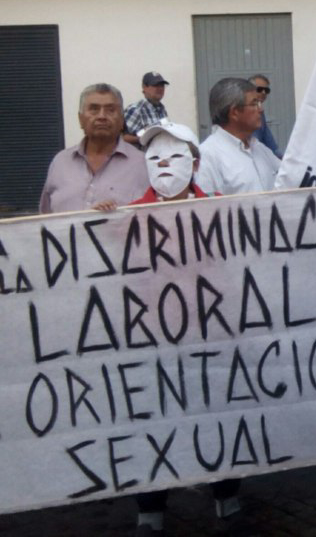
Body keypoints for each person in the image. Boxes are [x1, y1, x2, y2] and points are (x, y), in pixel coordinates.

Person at [129, 119, 223, 535]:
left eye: (176, 154)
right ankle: (151, 506)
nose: (165, 163)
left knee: (221, 415)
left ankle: (227, 492)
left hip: (215, 339)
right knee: (152, 422)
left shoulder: (222, 208)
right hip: (151, 343)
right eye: (155, 156)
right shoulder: (125, 217)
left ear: (196, 162)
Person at [40, 83, 149, 213]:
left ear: (121, 120)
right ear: (80, 119)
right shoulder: (60, 163)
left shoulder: (142, 164)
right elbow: (44, 221)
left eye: (110, 110)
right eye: (94, 109)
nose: (102, 116)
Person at [196, 77, 281, 195]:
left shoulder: (259, 148)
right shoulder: (208, 155)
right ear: (234, 112)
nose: (261, 109)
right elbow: (205, 207)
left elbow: (288, 178)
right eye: (254, 103)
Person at [122, 72, 170, 146]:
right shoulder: (136, 109)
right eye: (155, 85)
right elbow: (122, 138)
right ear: (144, 87)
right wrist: (144, 138)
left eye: (162, 85)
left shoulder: (162, 109)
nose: (160, 88)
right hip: (141, 156)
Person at [249, 74, 283, 157]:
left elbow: (270, 144)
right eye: (259, 89)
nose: (263, 92)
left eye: (266, 90)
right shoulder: (245, 112)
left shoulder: (260, 112)